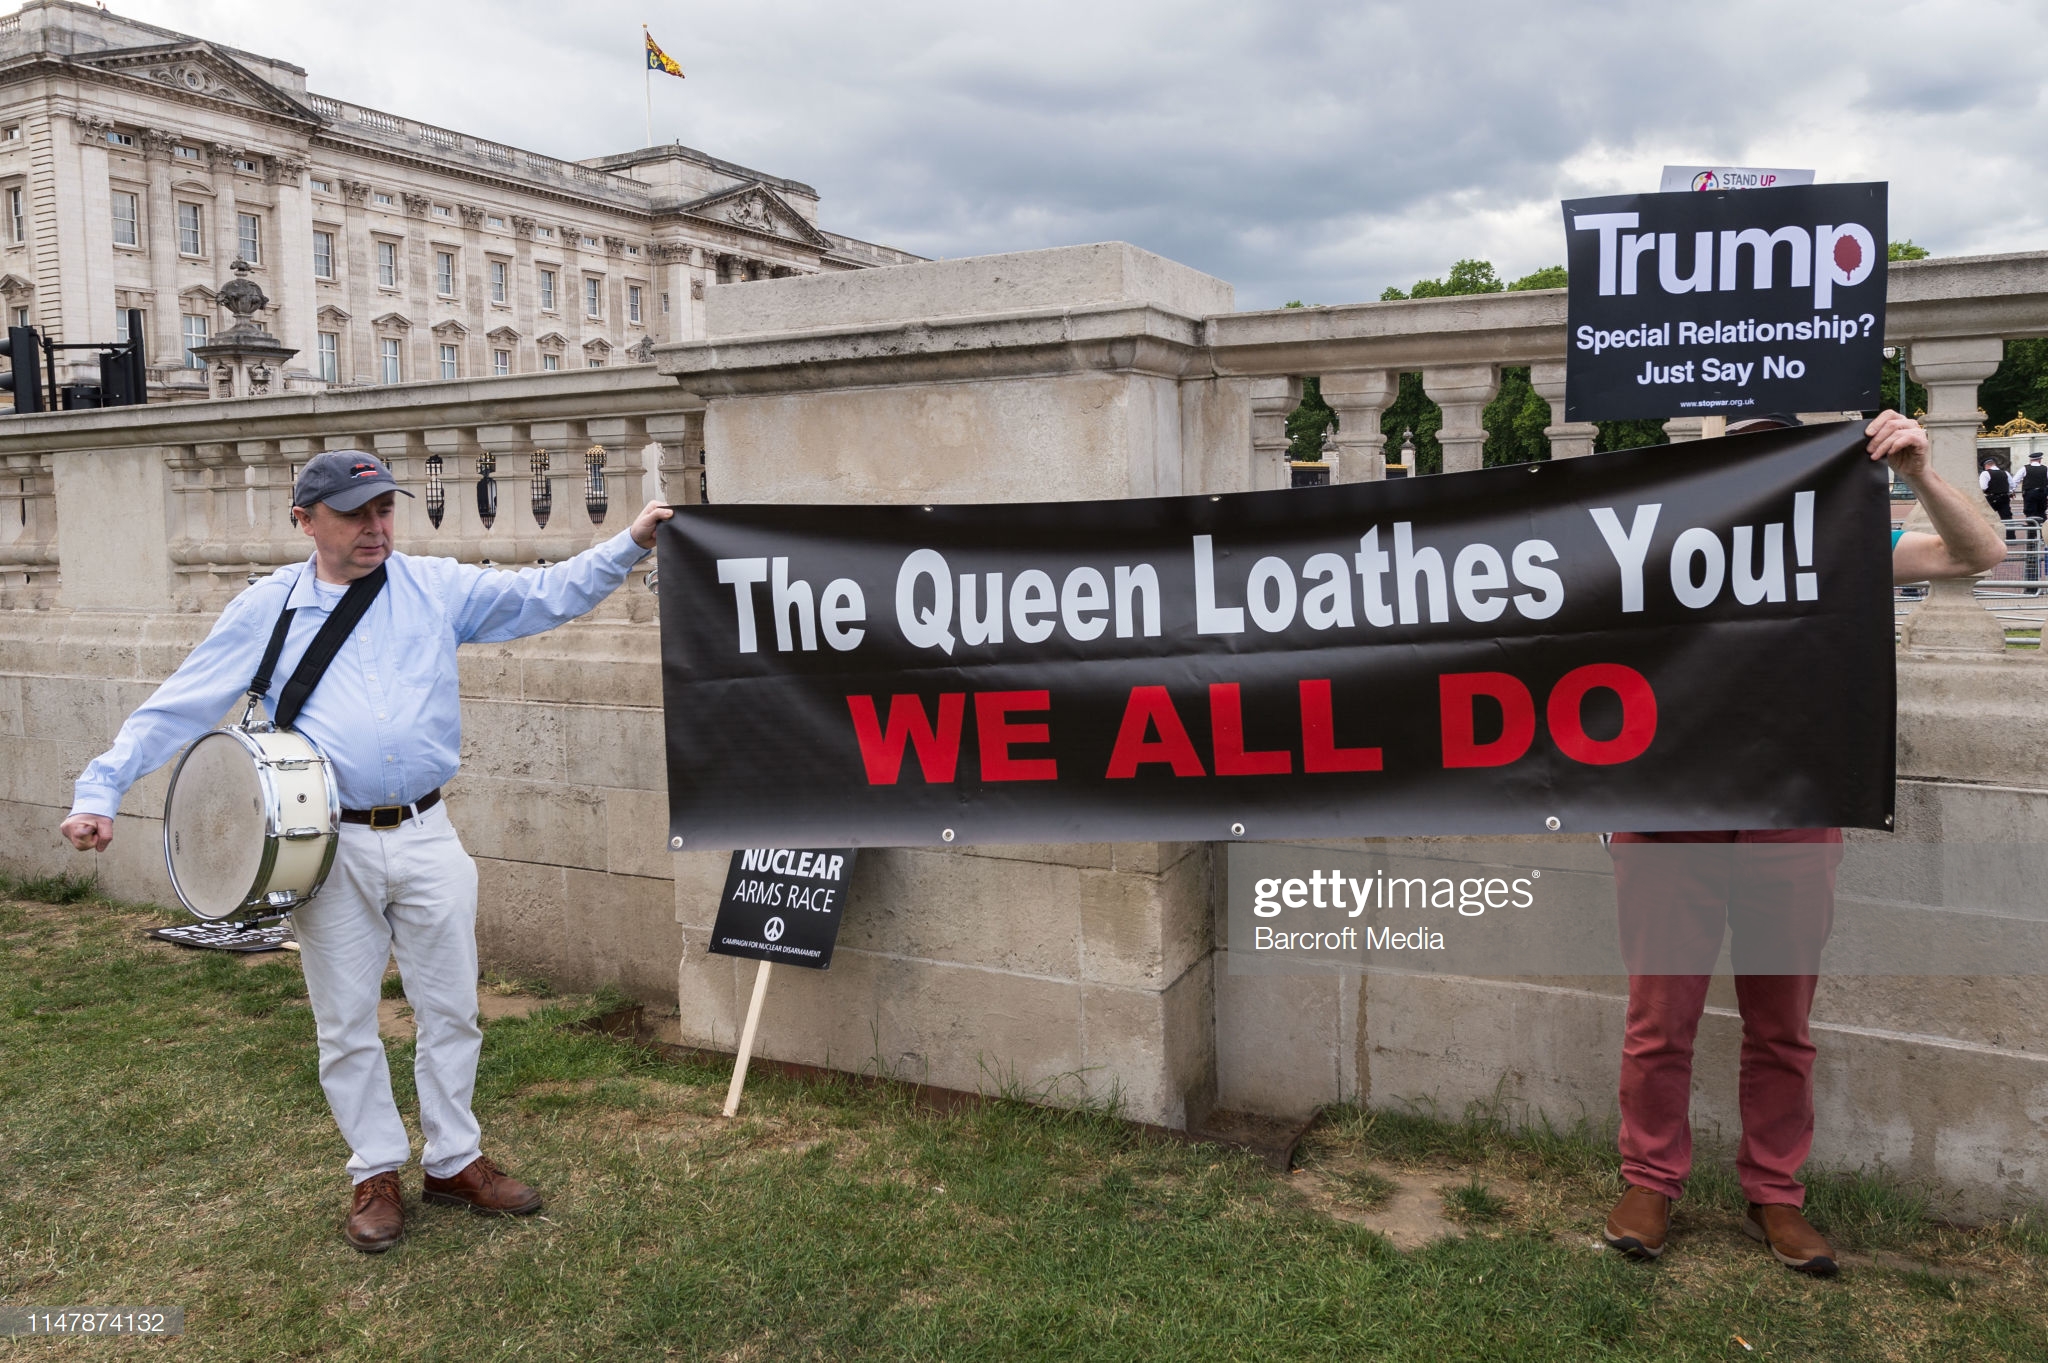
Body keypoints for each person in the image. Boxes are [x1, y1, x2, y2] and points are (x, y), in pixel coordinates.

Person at [59, 451, 674, 1254]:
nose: (375, 527)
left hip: (427, 831)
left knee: (451, 1008)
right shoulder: (265, 608)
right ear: (305, 521)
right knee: (346, 1021)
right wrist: (100, 790)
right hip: (328, 844)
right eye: (354, 514)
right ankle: (374, 1171)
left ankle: (454, 1160)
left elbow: (541, 594)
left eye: (384, 509)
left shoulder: (433, 586)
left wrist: (627, 540)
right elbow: (179, 704)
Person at [1601, 410, 2004, 1276]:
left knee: (1781, 1022)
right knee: (1657, 1018)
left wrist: (1923, 473)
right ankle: (1649, 1179)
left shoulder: (1844, 544)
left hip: (1791, 810)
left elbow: (1980, 555)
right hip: (1669, 809)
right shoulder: (1657, 540)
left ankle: (1774, 1191)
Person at [1980, 455, 2012, 520]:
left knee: (1988, 518)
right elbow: (2012, 485)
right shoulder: (2005, 473)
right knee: (2006, 517)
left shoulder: (1985, 473)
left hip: (1991, 498)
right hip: (2004, 497)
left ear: (1986, 466)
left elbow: (1983, 487)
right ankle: (2010, 530)